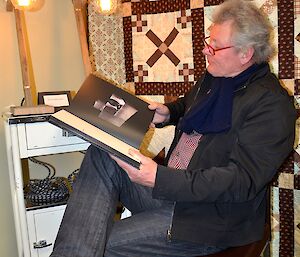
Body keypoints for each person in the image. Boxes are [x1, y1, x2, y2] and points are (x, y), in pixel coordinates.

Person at [50, 0, 296, 256]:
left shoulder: (272, 106)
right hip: (172, 192)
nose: (205, 51)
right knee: (102, 154)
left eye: (215, 46)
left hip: (210, 219)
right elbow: (191, 107)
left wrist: (159, 177)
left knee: (100, 243)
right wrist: (169, 112)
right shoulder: (215, 78)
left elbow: (240, 181)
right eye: (207, 41)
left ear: (246, 54)